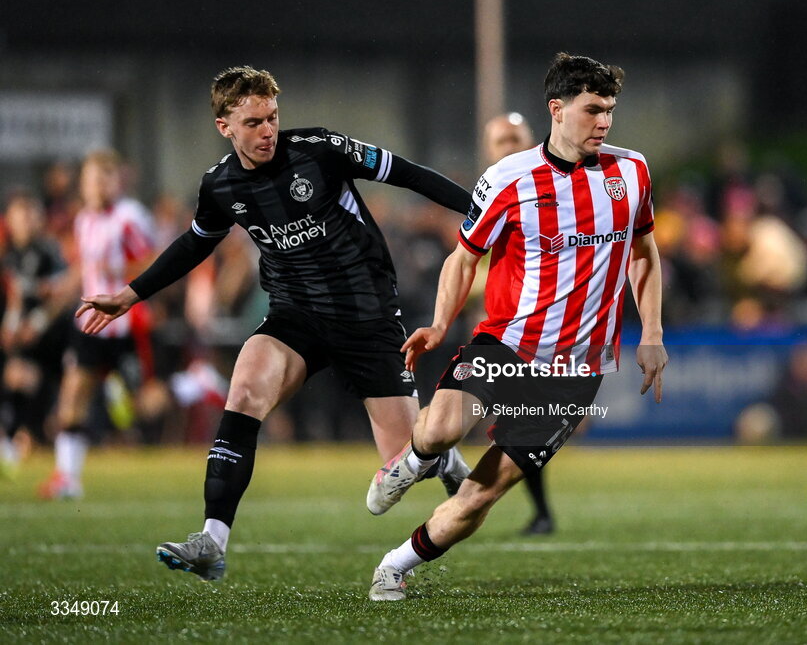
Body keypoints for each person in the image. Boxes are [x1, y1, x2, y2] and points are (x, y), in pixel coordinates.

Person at [75, 66, 473, 581]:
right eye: (254, 122)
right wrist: (130, 295)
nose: (267, 130)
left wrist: (483, 211)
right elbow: (195, 243)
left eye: (272, 118)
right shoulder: (220, 185)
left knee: (402, 459)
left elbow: (410, 174)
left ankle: (442, 457)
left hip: (366, 315)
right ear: (225, 126)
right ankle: (212, 541)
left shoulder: (321, 150)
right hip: (294, 313)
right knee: (244, 389)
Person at [365, 52, 668, 600]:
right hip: (508, 343)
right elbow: (463, 258)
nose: (605, 122)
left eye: (610, 112)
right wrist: (438, 323)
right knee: (438, 430)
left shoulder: (633, 171)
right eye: (593, 110)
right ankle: (413, 460)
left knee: (484, 492)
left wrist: (651, 334)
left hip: (576, 372)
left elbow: (644, 253)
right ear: (557, 109)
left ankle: (395, 565)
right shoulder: (509, 178)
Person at [37, 150, 157, 499]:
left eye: (106, 178)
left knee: (146, 403)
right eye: (93, 179)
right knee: (73, 393)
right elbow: (83, 269)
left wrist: (120, 273)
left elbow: (155, 262)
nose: (99, 186)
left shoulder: (129, 218)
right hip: (90, 325)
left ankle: (192, 384)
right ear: (84, 184)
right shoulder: (84, 219)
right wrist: (58, 291)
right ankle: (68, 479)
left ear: (116, 181)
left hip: (125, 324)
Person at [481, 112, 557, 536]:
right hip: (487, 328)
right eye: (501, 141)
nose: (509, 147)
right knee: (445, 421)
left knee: (520, 423)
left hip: (533, 332)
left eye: (516, 139)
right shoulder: (488, 192)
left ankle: (536, 511)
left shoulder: (554, 191)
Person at [0, 189, 72, 478]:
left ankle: (26, 435)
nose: (26, 221)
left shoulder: (47, 250)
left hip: (52, 336)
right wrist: (11, 324)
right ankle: (18, 437)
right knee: (17, 375)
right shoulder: (10, 254)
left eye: (31, 215)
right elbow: (17, 294)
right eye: (21, 215)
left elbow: (64, 291)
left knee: (27, 376)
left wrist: (38, 323)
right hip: (25, 334)